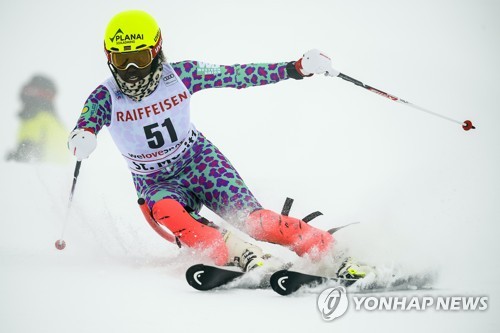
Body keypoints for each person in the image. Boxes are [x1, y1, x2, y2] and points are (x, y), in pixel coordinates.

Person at [68, 9, 366, 279]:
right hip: (155, 182)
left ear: (156, 51)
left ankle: (329, 251)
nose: (131, 70)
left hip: (200, 162)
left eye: (141, 58)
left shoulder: (182, 75)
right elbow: (85, 124)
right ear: (109, 58)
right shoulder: (105, 97)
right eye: (122, 60)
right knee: (174, 214)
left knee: (257, 223)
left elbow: (237, 75)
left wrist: (295, 67)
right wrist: (83, 137)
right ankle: (243, 254)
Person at [7, 75, 68, 164]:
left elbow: (26, 155)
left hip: (40, 175)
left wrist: (13, 158)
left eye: (30, 91)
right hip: (58, 175)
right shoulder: (57, 123)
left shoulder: (35, 119)